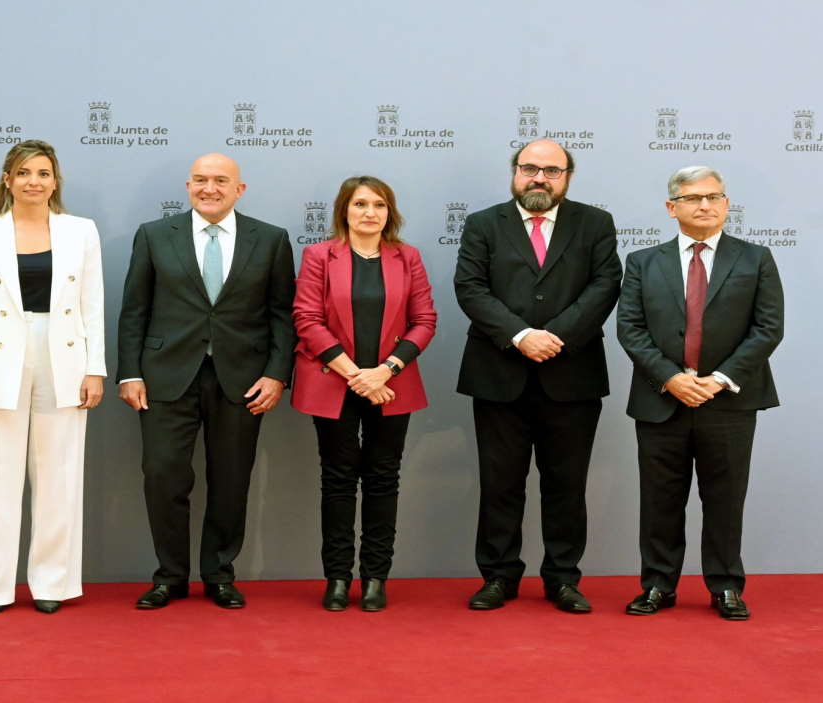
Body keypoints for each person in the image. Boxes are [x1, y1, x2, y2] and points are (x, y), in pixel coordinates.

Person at [117, 153, 295, 609]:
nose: (209, 188)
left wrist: (277, 374)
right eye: (200, 180)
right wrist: (130, 372)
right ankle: (170, 576)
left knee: (231, 479)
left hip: (243, 379)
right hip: (164, 377)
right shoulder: (155, 236)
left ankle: (219, 574)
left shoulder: (271, 240)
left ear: (240, 190)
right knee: (162, 476)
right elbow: (134, 310)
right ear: (188, 185)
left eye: (220, 181)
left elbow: (282, 315)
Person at [454, 139, 621, 613]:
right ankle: (498, 577)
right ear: (514, 172)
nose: (539, 178)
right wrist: (522, 334)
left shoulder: (595, 223)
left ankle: (563, 579)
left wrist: (556, 336)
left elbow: (605, 284)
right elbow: (470, 286)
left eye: (552, 170)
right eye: (530, 168)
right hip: (498, 374)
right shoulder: (484, 224)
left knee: (567, 485)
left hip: (572, 376)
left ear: (568, 177)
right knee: (499, 483)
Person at [0, 139, 105, 615]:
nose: (33, 181)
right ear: (7, 179)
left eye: (43, 173)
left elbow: (92, 306)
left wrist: (95, 368)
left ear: (55, 181)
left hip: (65, 357)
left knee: (60, 474)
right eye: (24, 172)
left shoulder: (80, 232)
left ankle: (51, 584)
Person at [617, 166, 783, 620]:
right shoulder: (642, 262)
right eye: (692, 198)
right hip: (661, 399)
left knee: (726, 499)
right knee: (659, 500)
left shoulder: (755, 258)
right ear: (672, 208)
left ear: (727, 204)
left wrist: (719, 379)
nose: (705, 205)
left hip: (728, 400)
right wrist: (670, 378)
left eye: (714, 197)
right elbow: (630, 330)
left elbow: (768, 329)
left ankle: (726, 586)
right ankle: (657, 585)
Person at [291, 176, 436, 612]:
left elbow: (424, 320)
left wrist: (385, 371)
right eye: (360, 204)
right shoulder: (319, 255)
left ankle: (375, 578)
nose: (369, 212)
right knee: (336, 481)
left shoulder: (407, 257)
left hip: (392, 386)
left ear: (389, 212)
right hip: (334, 381)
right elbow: (306, 318)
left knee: (382, 480)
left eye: (378, 205)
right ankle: (337, 578)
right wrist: (357, 374)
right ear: (344, 211)